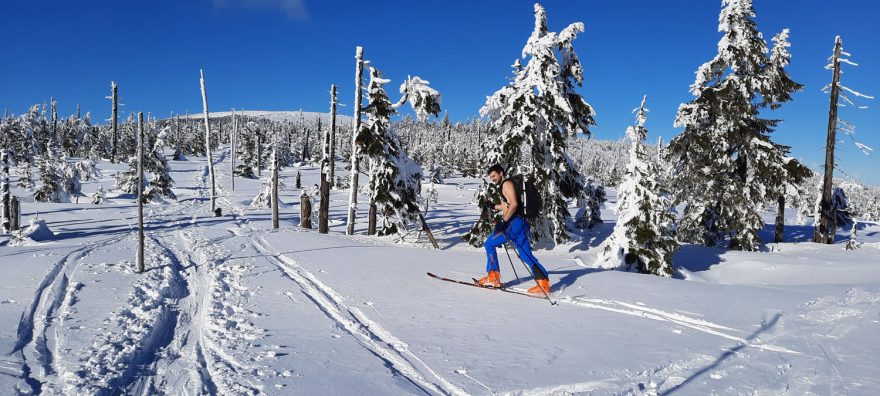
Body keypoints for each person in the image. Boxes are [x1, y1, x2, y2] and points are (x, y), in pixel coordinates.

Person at [478, 164, 550, 294]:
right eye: (491, 177)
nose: (492, 179)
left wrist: (503, 221)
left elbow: (514, 204)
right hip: (520, 223)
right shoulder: (505, 185)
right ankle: (543, 282)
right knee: (525, 254)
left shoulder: (506, 184)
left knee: (489, 243)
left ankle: (493, 277)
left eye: (494, 176)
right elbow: (507, 205)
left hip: (514, 223)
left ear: (501, 173)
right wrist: (493, 205)